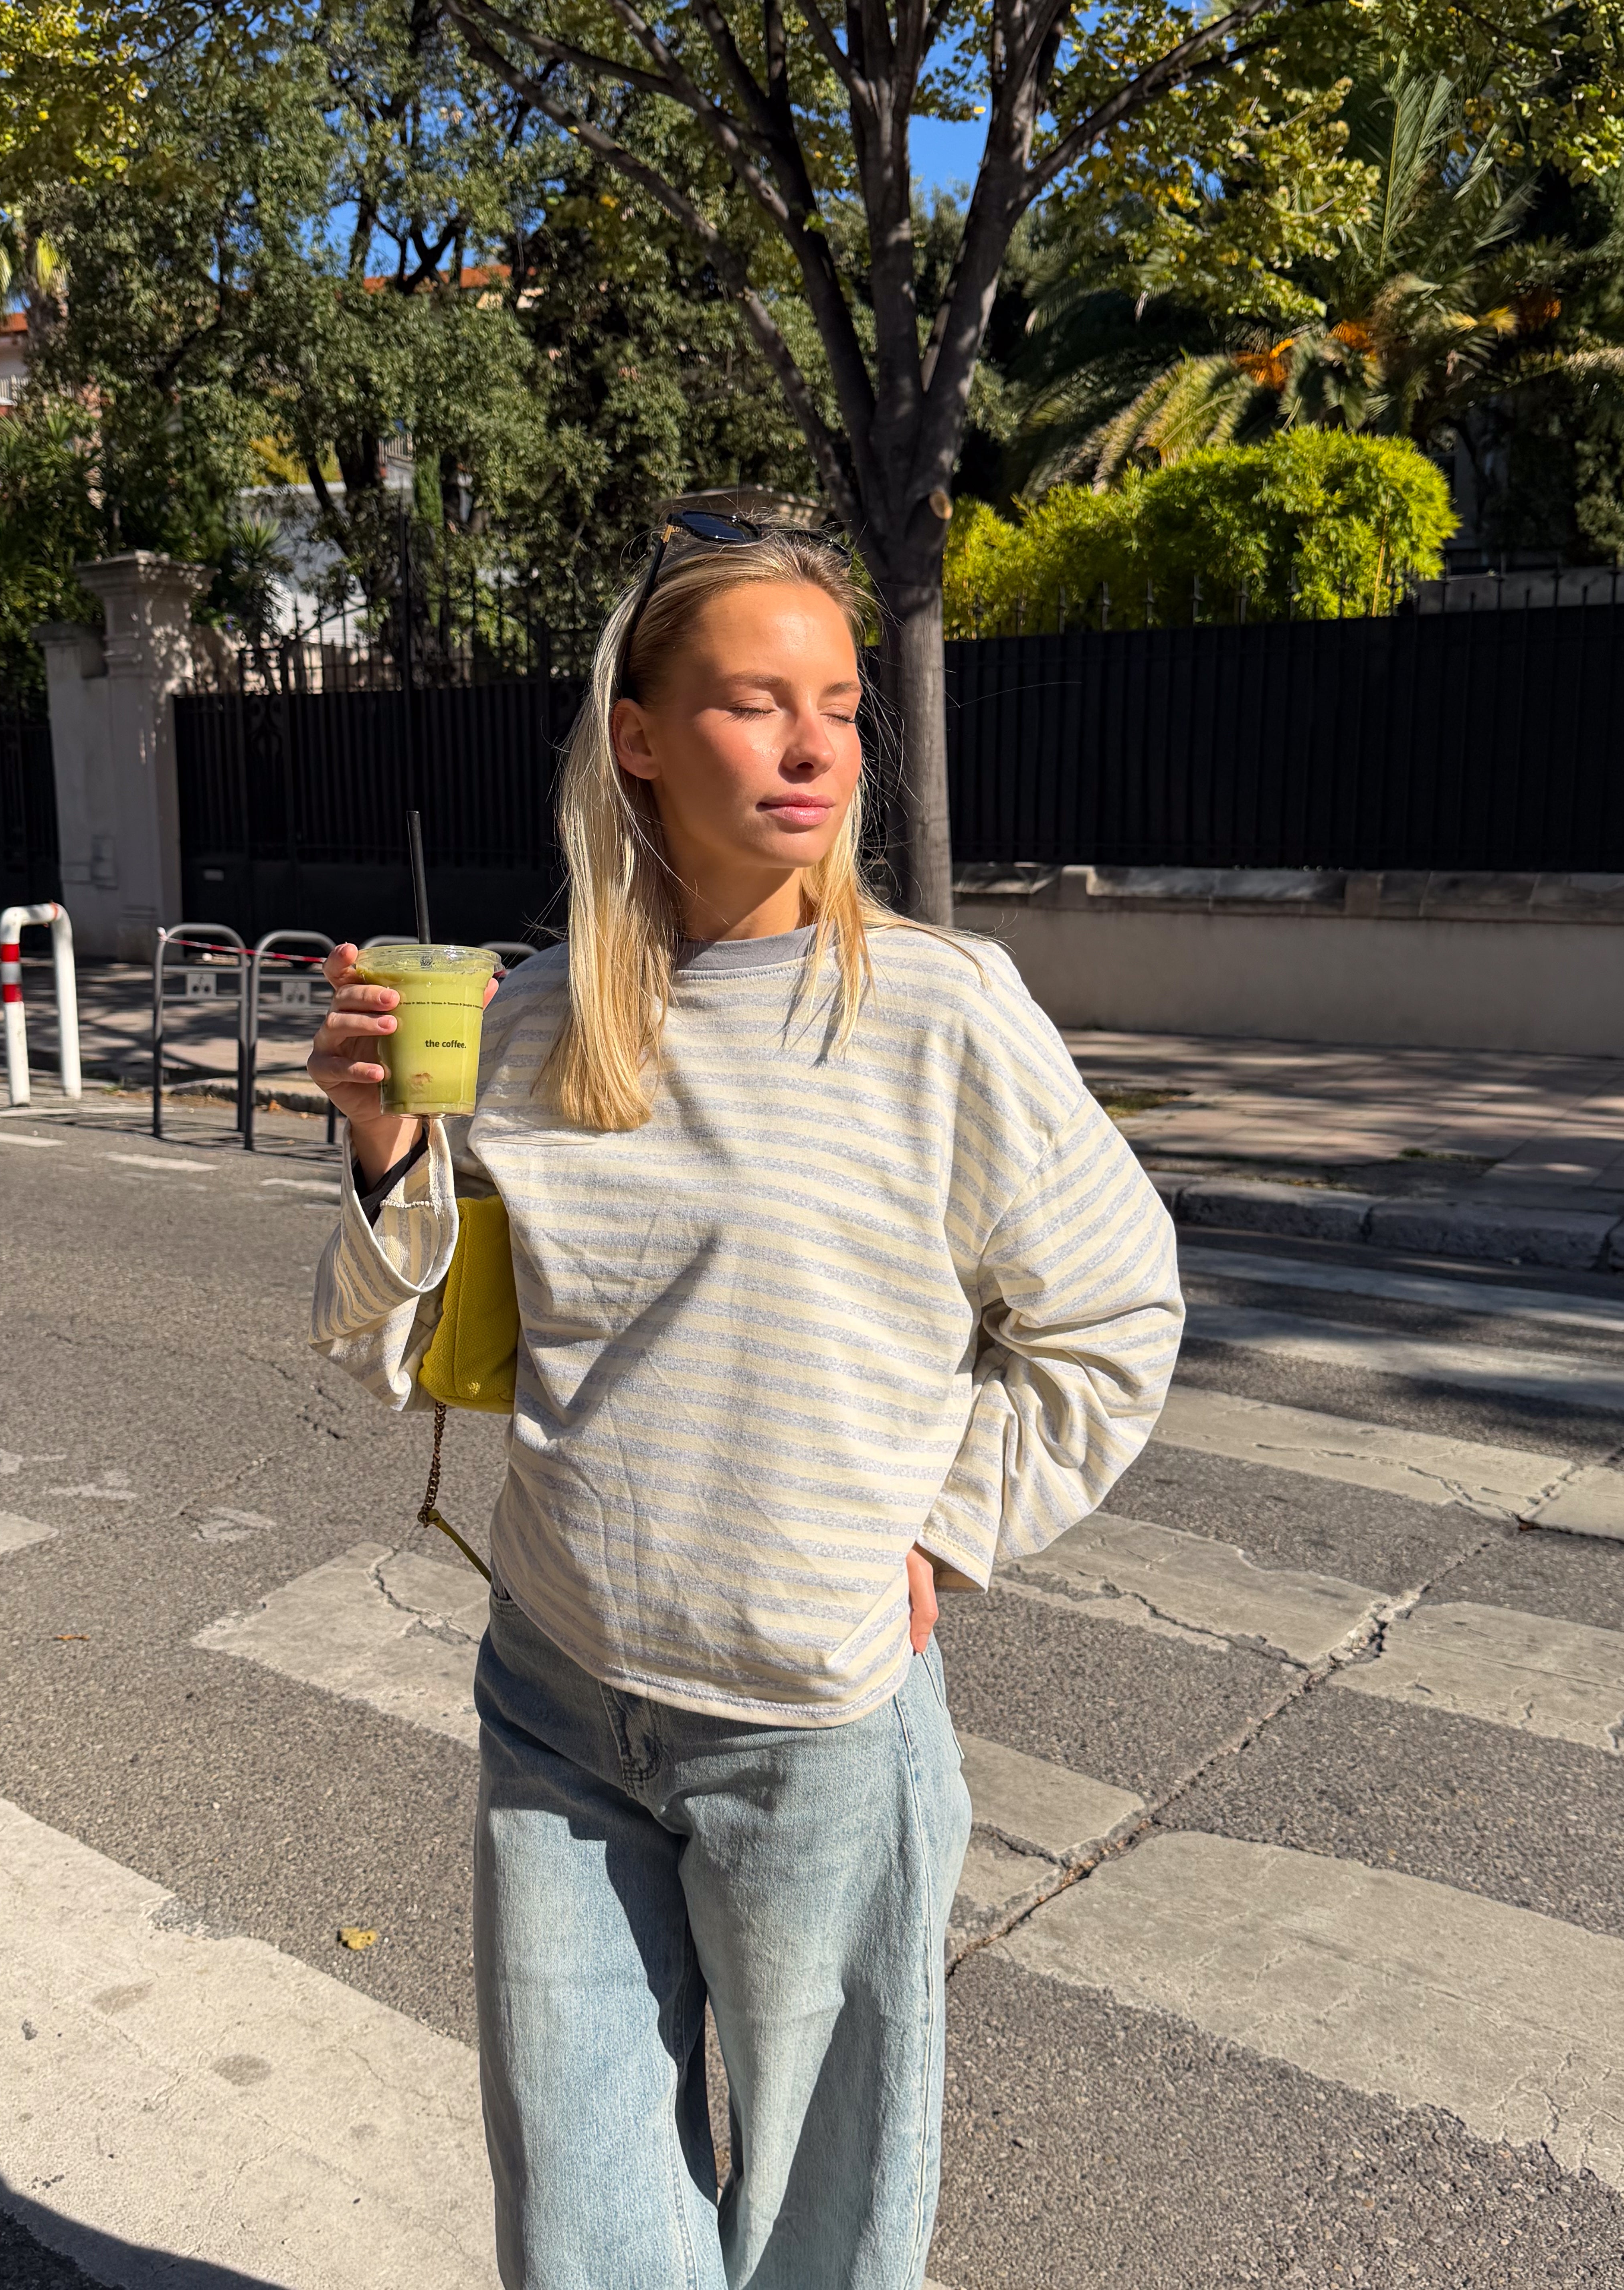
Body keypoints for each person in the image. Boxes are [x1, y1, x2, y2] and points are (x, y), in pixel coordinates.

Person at [306, 519, 1183, 2290]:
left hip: (816, 1727)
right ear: (638, 736)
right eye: (755, 705)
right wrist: (386, 1147)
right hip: (555, 1702)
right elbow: (407, 1352)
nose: (813, 750)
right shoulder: (539, 1022)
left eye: (841, 709)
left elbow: (1112, 1315)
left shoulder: (934, 1010)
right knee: (582, 2232)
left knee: (820, 2231)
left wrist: (949, 1522)